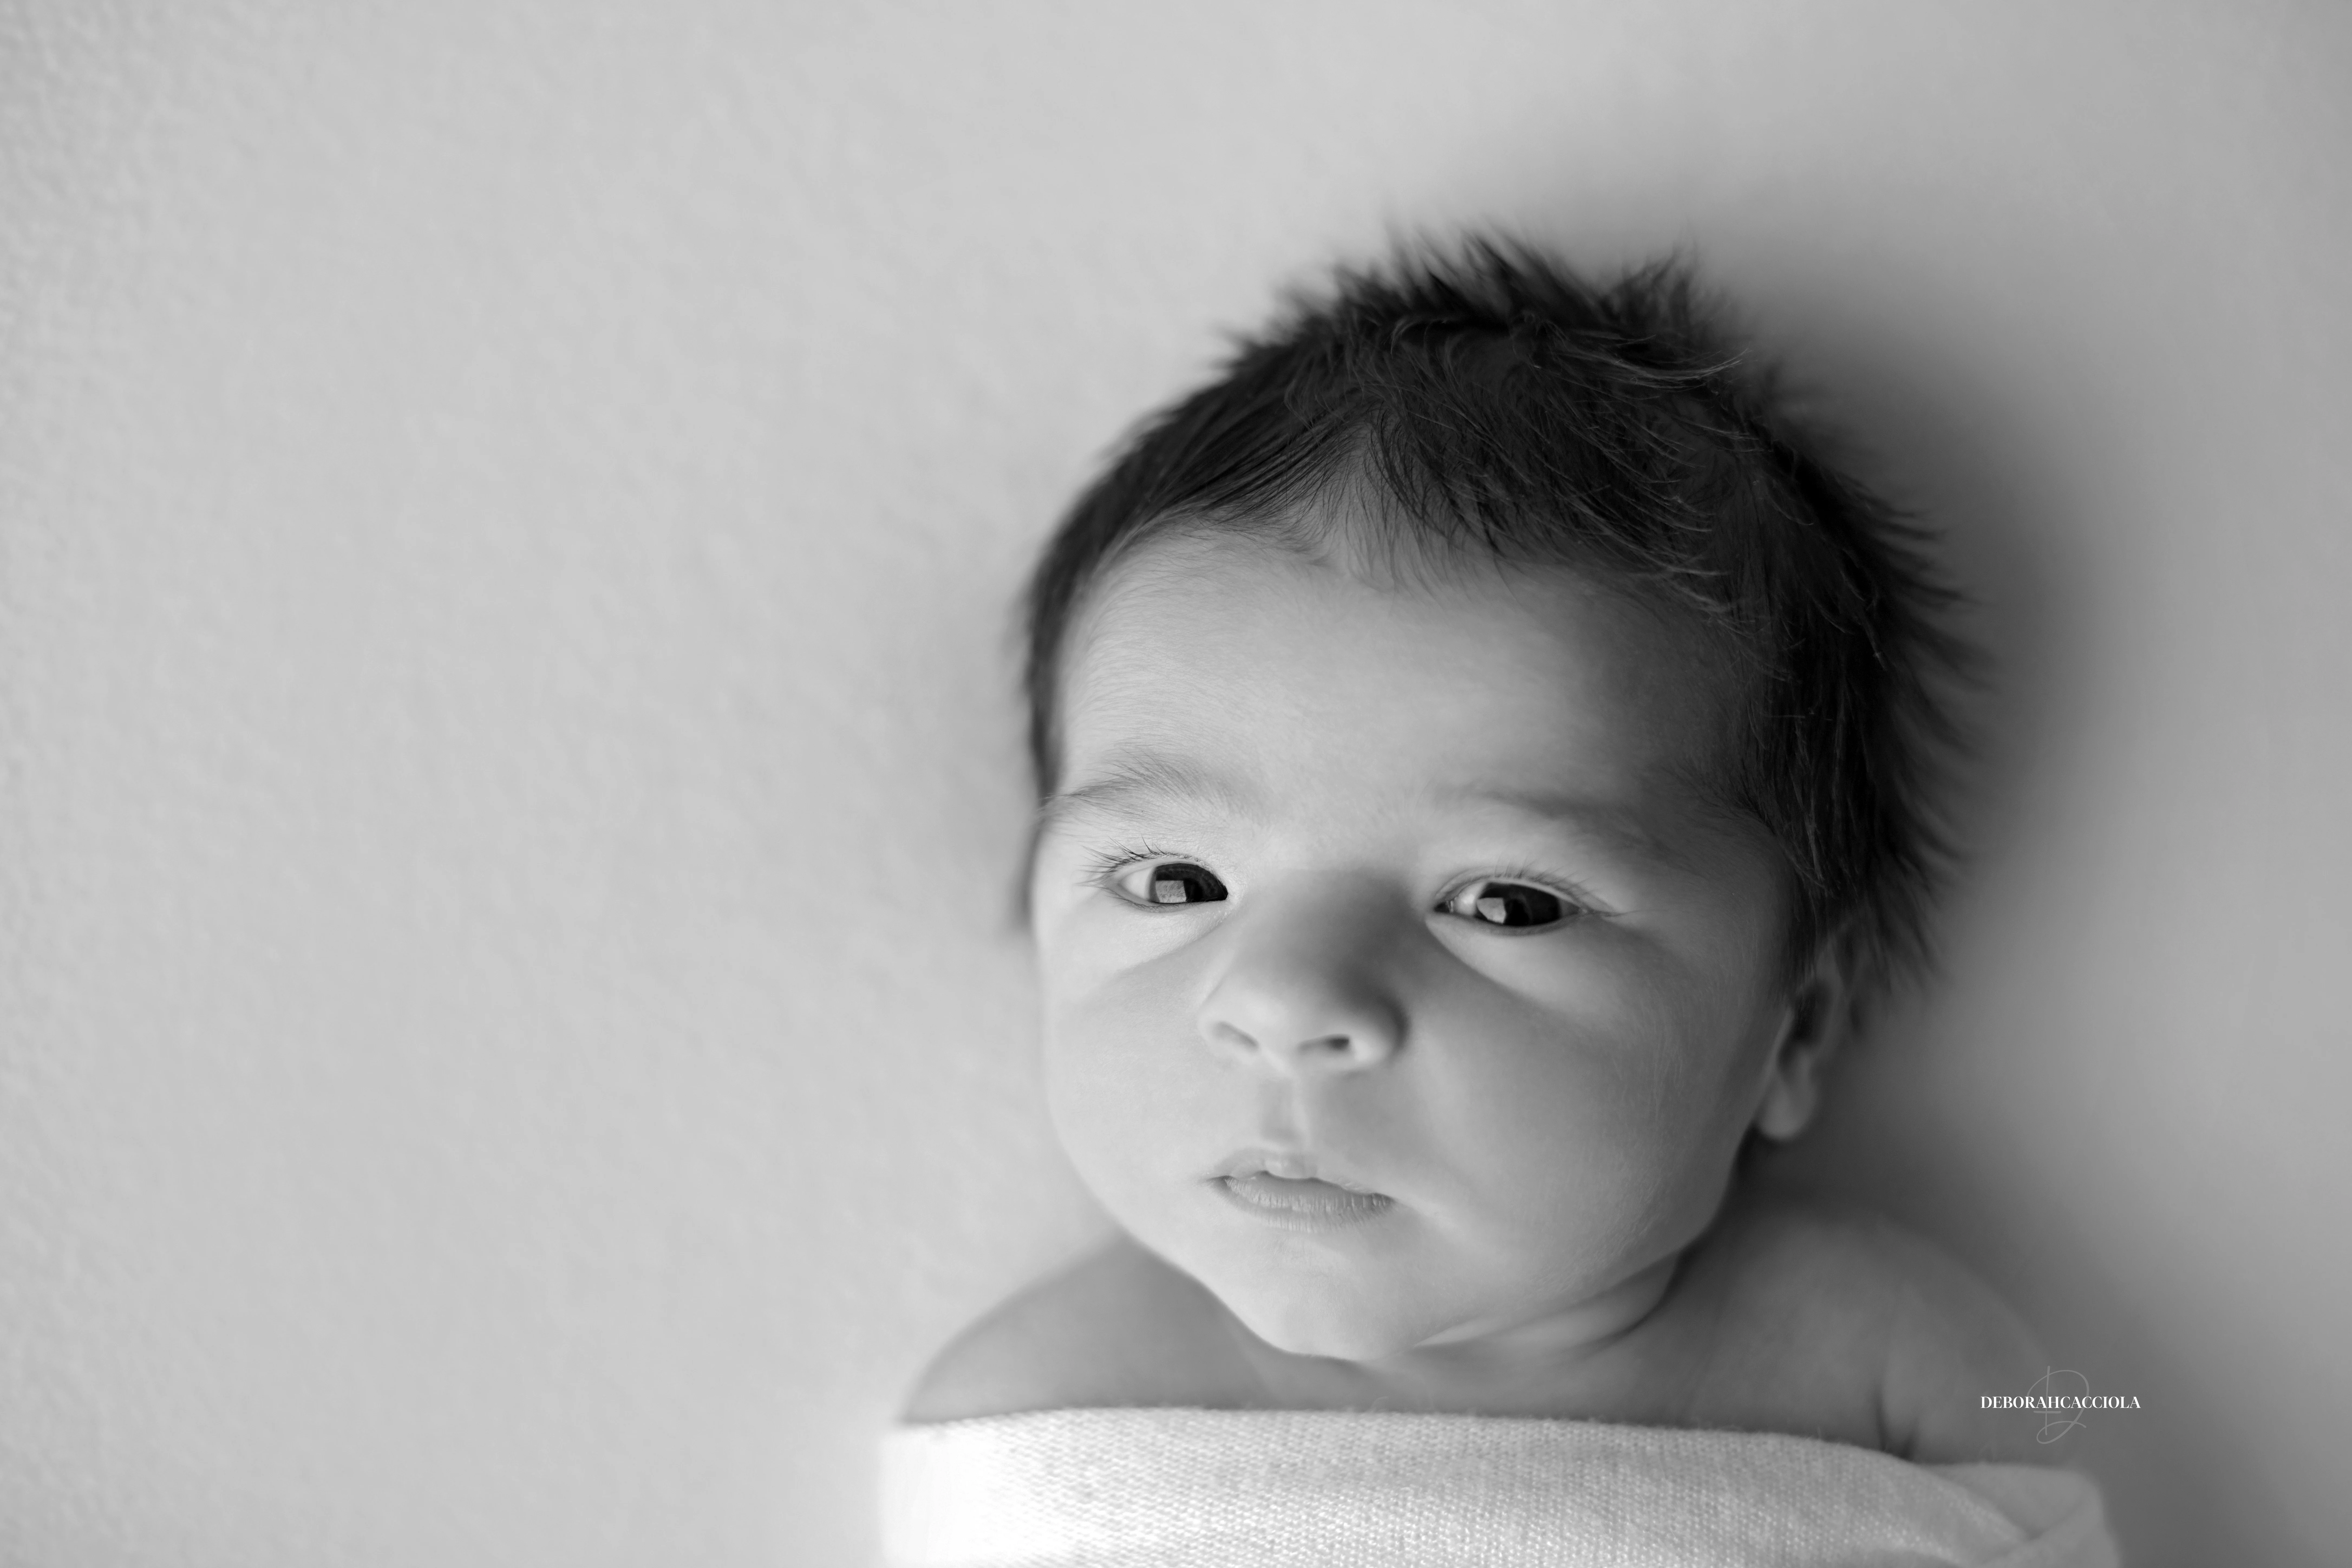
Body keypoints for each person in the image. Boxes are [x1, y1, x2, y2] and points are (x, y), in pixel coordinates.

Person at [883, 242, 2115, 1566]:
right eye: (1176, 883)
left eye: (1507, 903)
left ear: (1796, 1026)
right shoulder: (1040, 1414)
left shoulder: (1899, 1368)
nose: (1290, 1000)